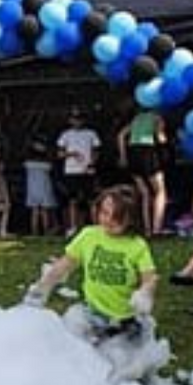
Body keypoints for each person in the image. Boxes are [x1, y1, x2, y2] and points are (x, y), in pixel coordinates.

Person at [24, 183, 160, 357]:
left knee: (127, 363)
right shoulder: (89, 236)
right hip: (93, 313)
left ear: (131, 218)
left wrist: (145, 293)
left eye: (117, 216)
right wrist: (43, 286)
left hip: (127, 319)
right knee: (75, 344)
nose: (108, 220)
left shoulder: (137, 245)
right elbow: (65, 264)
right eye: (104, 213)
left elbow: (149, 277)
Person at [117, 100, 169, 237]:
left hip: (133, 154)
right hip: (147, 152)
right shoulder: (156, 118)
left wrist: (123, 156)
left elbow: (121, 135)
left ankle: (147, 230)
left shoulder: (136, 119)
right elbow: (160, 137)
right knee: (160, 192)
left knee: (145, 193)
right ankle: (157, 229)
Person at [55, 106, 102, 235]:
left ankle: (95, 226)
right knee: (73, 200)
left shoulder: (91, 133)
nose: (77, 122)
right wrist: (72, 154)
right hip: (71, 171)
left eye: (79, 119)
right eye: (74, 119)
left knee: (91, 199)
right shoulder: (65, 135)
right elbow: (59, 153)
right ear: (70, 120)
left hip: (87, 170)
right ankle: (73, 227)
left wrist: (92, 163)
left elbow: (96, 151)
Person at [22, 138, 58, 238]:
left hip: (32, 190)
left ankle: (34, 232)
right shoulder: (46, 165)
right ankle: (46, 231)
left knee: (35, 211)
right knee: (44, 211)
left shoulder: (28, 164)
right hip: (44, 189)